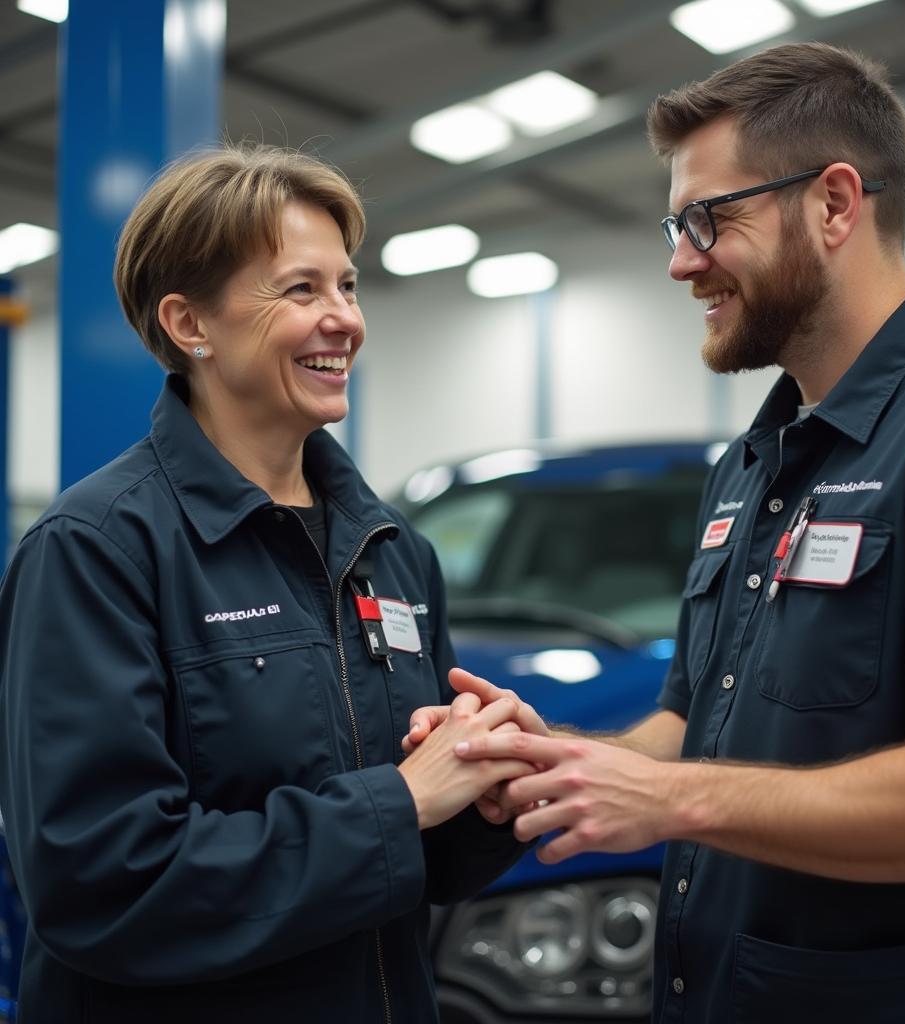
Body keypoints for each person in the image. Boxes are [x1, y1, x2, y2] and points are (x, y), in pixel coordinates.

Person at [407, 42, 905, 1024]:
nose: (679, 258)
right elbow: (692, 723)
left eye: (709, 218)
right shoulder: (754, 463)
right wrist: (556, 755)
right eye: (674, 222)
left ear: (832, 204)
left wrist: (671, 802)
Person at [0, 145, 534, 1023]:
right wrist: (399, 800)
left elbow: (421, 863)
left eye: (349, 286)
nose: (345, 319)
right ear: (189, 324)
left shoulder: (390, 549)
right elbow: (101, 883)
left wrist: (488, 790)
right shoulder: (96, 550)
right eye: (300, 289)